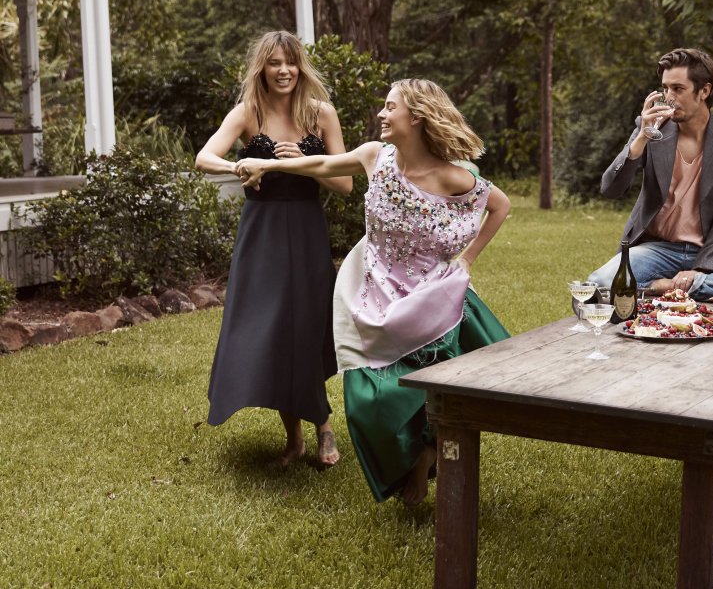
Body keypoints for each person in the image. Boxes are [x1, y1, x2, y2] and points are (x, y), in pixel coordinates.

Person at [237, 79, 511, 505]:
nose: (381, 114)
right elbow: (323, 165)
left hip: (430, 296)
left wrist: (468, 259)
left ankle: (426, 457)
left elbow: (500, 205)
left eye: (390, 106)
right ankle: (413, 456)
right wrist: (268, 165)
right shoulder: (374, 156)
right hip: (375, 291)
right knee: (366, 400)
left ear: (416, 116)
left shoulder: (452, 176)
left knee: (439, 389)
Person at [195, 30, 352, 467]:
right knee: (273, 328)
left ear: (301, 66)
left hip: (305, 231)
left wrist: (302, 164)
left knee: (306, 324)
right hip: (261, 234)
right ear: (261, 69)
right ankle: (294, 439)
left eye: (290, 62)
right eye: (274, 63)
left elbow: (344, 183)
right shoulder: (249, 111)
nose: (284, 71)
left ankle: (323, 428)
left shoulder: (321, 114)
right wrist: (241, 165)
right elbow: (204, 158)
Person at [589, 47, 713, 302]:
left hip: (709, 249)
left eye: (678, 89)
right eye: (665, 88)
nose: (669, 98)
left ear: (704, 91)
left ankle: (668, 287)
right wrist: (641, 138)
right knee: (599, 283)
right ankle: (677, 288)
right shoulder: (651, 127)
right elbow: (611, 189)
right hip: (657, 249)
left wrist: (700, 270)